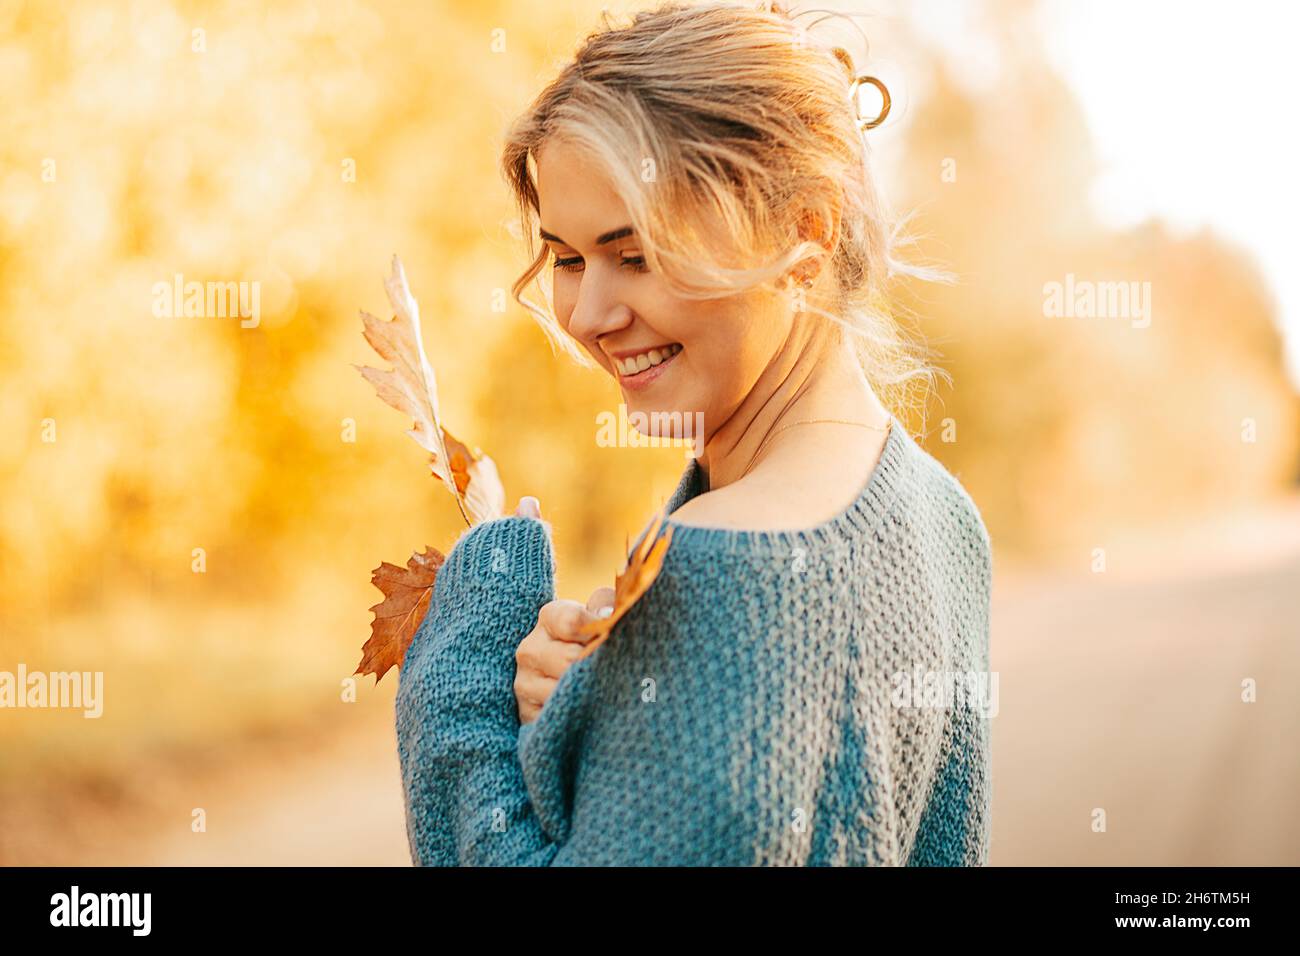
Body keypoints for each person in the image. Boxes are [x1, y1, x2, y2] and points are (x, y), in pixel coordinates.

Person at [396, 0, 992, 866]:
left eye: (635, 253)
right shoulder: (941, 517)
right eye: (566, 259)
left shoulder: (731, 576)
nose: (588, 317)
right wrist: (582, 726)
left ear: (805, 230)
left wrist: (467, 665)